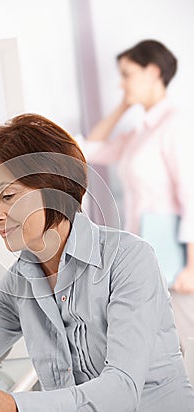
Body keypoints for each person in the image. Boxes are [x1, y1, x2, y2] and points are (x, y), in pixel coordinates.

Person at [0, 114, 194, 412]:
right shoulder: (19, 282)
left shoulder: (130, 259)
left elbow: (122, 388)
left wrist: (14, 410)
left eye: (8, 195)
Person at [83, 40, 194, 353]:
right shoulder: (141, 131)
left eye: (127, 74)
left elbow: (192, 195)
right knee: (171, 349)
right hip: (151, 254)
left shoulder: (177, 124)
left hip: (179, 262)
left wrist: (193, 266)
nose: (121, 83)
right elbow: (90, 148)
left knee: (186, 345)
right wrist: (123, 105)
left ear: (153, 72)